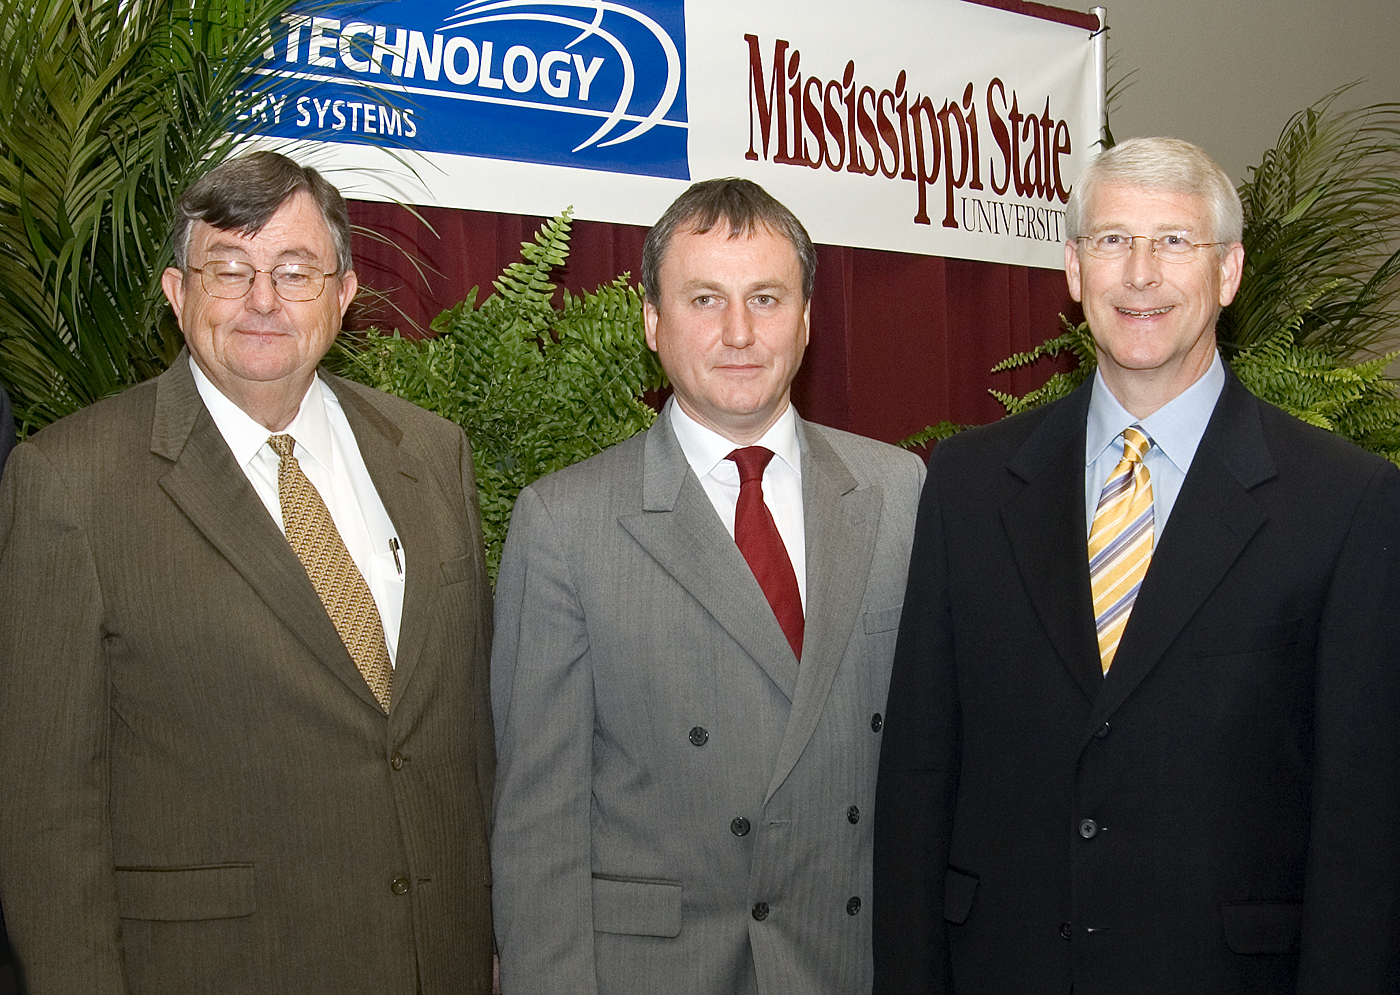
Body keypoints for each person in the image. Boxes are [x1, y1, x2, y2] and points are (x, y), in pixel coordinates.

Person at [873, 136, 1400, 995]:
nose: (1141, 274)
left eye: (1174, 242)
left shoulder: (1345, 502)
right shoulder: (968, 483)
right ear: (1075, 270)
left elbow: (1364, 822)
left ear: (1227, 272)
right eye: (1113, 241)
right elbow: (920, 775)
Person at [0, 152, 496, 995]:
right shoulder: (71, 482)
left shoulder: (432, 453)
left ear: (342, 296)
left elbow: (468, 734)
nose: (263, 299)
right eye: (229, 269)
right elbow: (44, 815)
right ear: (175, 293)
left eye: (295, 270)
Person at [490, 177, 925, 994]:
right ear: (653, 321)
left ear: (805, 321)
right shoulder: (564, 522)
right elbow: (537, 831)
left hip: (850, 962)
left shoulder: (900, 493)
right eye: (704, 299)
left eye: (766, 297)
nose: (738, 332)